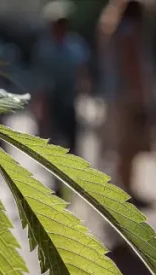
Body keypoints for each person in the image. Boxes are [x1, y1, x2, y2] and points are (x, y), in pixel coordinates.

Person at [97, 0, 156, 208]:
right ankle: (126, 193)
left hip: (116, 97)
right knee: (128, 149)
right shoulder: (130, 32)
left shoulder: (113, 30)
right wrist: (143, 100)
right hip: (129, 98)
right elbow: (133, 68)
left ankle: (124, 190)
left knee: (122, 149)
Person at [32, 0, 91, 168]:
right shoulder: (44, 47)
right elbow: (39, 76)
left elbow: (83, 69)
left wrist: (85, 87)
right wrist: (39, 103)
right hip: (52, 99)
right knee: (53, 139)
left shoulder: (75, 45)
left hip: (69, 98)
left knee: (72, 137)